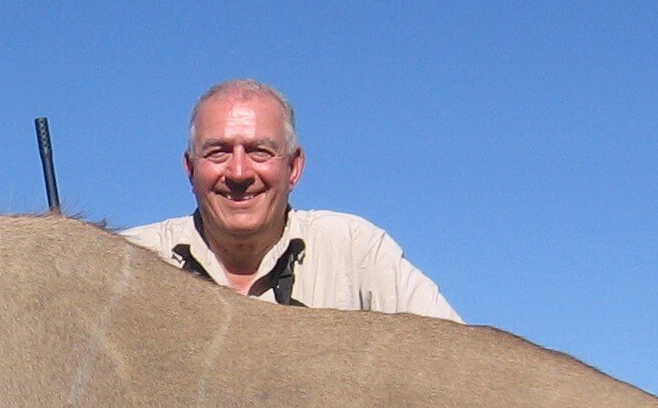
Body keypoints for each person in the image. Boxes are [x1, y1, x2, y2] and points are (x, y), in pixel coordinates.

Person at [123, 79, 460, 321]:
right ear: (189, 168)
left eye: (259, 151)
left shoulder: (357, 249)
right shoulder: (130, 259)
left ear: (294, 168)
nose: (239, 172)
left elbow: (455, 360)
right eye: (218, 152)